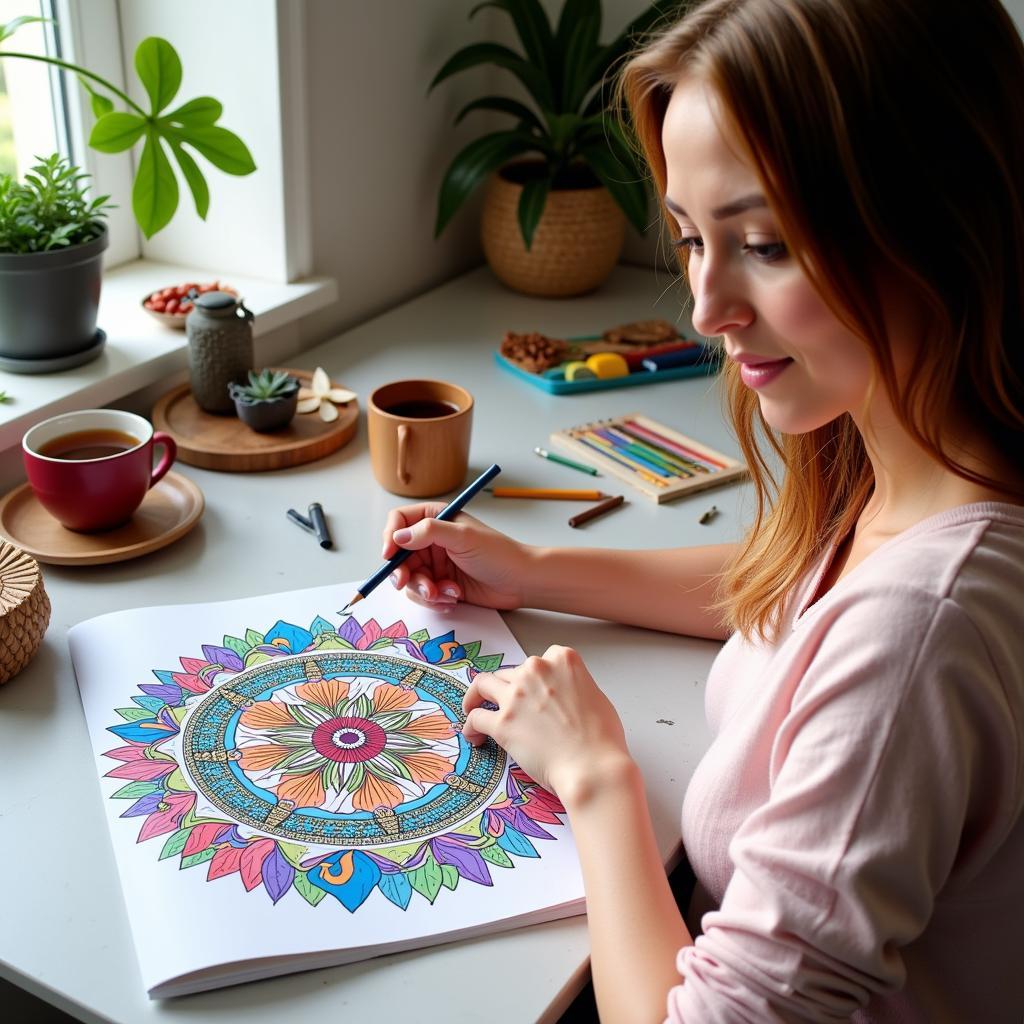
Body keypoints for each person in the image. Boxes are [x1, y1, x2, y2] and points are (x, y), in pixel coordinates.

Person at [381, 0, 1024, 1019]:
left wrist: (595, 778)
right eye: (689, 237)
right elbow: (790, 599)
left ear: (935, 225)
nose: (705, 307)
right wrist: (535, 570)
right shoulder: (904, 459)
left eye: (762, 243)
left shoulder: (920, 636)